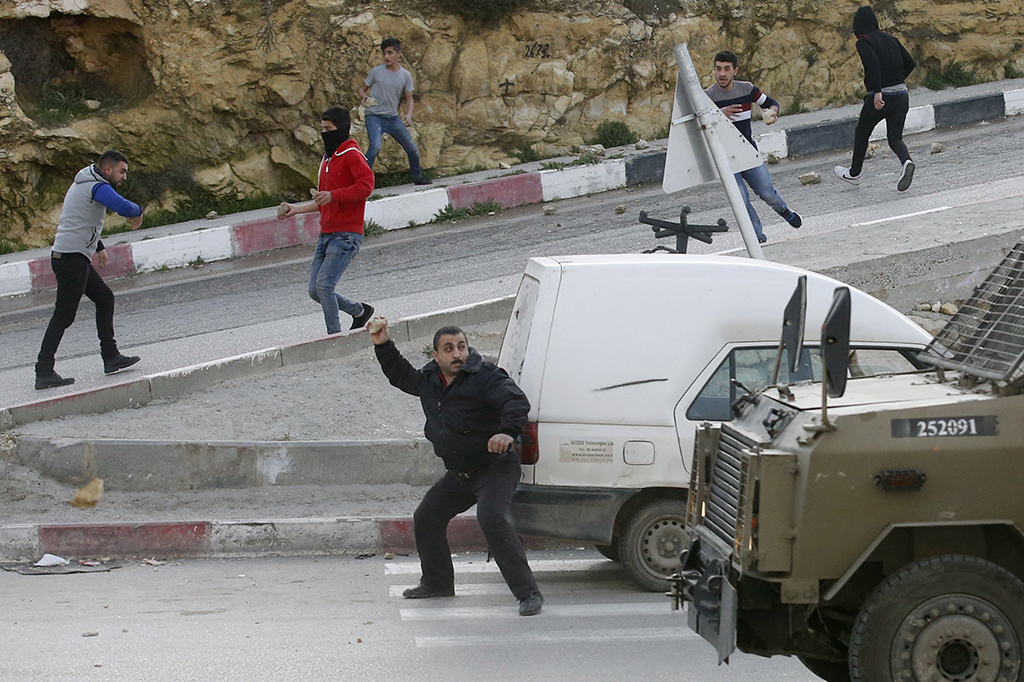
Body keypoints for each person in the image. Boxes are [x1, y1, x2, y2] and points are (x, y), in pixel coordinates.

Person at [369, 319, 544, 616]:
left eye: (461, 347)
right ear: (436, 355)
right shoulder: (429, 381)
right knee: (427, 517)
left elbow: (515, 401)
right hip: (460, 475)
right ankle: (437, 583)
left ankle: (528, 594)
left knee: (490, 518)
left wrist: (506, 432)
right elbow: (400, 374)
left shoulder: (484, 376)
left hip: (495, 468)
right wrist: (383, 344)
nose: (457, 354)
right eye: (449, 349)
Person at [34, 150, 143, 390]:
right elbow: (122, 207)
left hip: (72, 257)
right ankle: (44, 371)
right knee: (64, 315)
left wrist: (98, 246)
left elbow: (81, 219)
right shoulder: (97, 186)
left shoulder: (85, 183)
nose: (124, 177)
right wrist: (138, 210)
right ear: (108, 169)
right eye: (122, 171)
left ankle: (111, 357)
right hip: (71, 259)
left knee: (105, 299)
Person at [279, 107, 375, 335]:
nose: (324, 133)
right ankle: (359, 311)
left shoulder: (351, 154)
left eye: (329, 129)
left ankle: (335, 336)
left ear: (341, 129)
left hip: (346, 235)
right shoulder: (328, 159)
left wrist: (334, 195)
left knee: (324, 286)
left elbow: (366, 186)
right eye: (322, 129)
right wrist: (295, 210)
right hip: (326, 234)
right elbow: (324, 199)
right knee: (315, 290)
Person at [705, 50, 803, 244]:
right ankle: (756, 236)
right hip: (724, 158)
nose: (722, 74)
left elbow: (771, 103)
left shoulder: (747, 89)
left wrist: (772, 112)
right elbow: (696, 124)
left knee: (767, 192)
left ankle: (784, 211)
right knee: (740, 198)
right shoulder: (706, 97)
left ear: (735, 71)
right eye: (718, 69)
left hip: (748, 152)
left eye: (726, 69)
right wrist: (717, 114)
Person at [834, 6, 917, 191]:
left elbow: (872, 64)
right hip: (902, 95)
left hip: (881, 97)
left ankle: (854, 174)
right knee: (895, 138)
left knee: (862, 133)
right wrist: (896, 81)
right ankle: (906, 162)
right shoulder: (892, 39)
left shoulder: (864, 41)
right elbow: (910, 63)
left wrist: (877, 90)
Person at [358, 38, 432, 185]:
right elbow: (361, 89)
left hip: (392, 118)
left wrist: (409, 115)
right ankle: (361, 181)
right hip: (374, 116)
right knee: (375, 147)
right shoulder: (376, 72)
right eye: (384, 53)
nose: (386, 57)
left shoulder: (405, 75)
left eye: (390, 53)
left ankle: (417, 177)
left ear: (398, 54)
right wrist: (364, 97)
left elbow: (409, 98)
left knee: (412, 148)